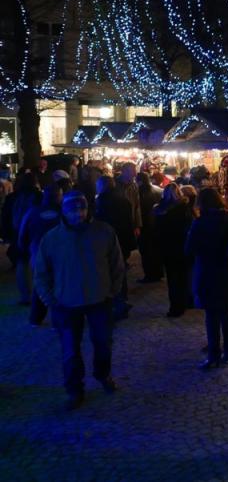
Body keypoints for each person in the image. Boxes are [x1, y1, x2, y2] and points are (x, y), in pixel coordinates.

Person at [33, 190, 124, 410]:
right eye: (73, 210)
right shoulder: (53, 238)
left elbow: (116, 264)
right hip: (65, 303)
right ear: (64, 211)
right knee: (70, 350)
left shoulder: (103, 232)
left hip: (99, 299)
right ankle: (74, 389)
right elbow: (41, 273)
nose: (78, 214)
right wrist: (49, 299)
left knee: (103, 343)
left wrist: (112, 290)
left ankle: (103, 374)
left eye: (82, 209)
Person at [185, 188, 228, 370]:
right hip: (226, 271)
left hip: (208, 271)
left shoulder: (200, 223)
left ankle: (213, 354)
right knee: (225, 313)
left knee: (211, 315)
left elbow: (189, 249)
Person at [18, 183, 63, 326]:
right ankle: (58, 319)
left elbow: (22, 234)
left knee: (40, 285)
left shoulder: (33, 212)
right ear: (59, 196)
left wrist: (24, 249)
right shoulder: (64, 213)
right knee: (60, 284)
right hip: (60, 254)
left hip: (37, 253)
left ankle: (35, 318)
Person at [95, 176, 136, 320]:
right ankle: (122, 299)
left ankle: (116, 301)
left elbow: (99, 221)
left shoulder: (102, 201)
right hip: (123, 239)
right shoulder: (123, 199)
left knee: (110, 270)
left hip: (109, 240)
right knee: (121, 269)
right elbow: (129, 220)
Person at [154, 184, 195, 318]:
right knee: (183, 276)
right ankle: (186, 301)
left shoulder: (160, 210)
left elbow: (157, 231)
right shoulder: (184, 208)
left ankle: (175, 306)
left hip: (168, 248)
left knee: (172, 279)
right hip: (182, 246)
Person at [6, 172, 41, 303]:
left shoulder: (13, 197)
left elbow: (6, 217)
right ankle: (39, 293)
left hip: (17, 233)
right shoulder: (38, 196)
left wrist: (8, 234)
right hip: (35, 233)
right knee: (37, 263)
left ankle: (25, 295)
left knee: (22, 263)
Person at [136, 171, 164, 283]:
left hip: (145, 225)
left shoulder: (139, 192)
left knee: (146, 252)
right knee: (157, 250)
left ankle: (150, 275)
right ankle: (159, 272)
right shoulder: (159, 190)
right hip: (157, 224)